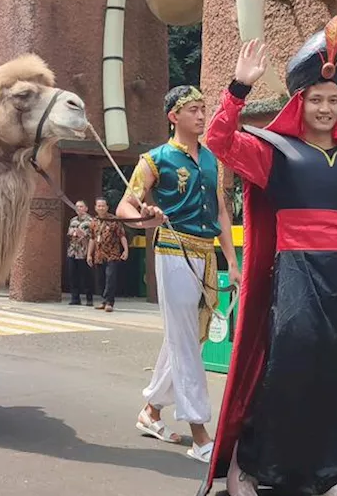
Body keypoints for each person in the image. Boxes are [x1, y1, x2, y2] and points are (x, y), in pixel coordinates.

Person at [195, 27, 337, 496]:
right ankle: (249, 462)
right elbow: (218, 139)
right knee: (289, 369)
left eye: (333, 99)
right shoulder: (272, 152)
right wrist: (238, 89)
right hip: (295, 273)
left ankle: (329, 484)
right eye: (316, 99)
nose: (325, 108)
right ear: (300, 102)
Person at [118, 85, 240, 464]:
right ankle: (200, 433)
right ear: (174, 117)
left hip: (205, 256)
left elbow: (220, 210)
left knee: (187, 338)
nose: (202, 116)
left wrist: (232, 263)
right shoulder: (154, 160)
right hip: (173, 250)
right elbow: (126, 205)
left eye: (204, 109)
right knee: (186, 342)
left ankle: (151, 411)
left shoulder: (210, 160)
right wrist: (145, 217)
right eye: (193, 110)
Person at [88, 197, 129, 312]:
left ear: (107, 207)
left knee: (110, 278)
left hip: (112, 254)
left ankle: (109, 302)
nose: (101, 208)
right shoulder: (94, 222)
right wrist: (89, 254)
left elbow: (122, 235)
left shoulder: (114, 220)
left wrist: (125, 250)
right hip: (99, 255)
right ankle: (104, 300)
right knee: (100, 279)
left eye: (103, 206)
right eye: (99, 206)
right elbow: (92, 238)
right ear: (95, 208)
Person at [65, 201, 94, 306]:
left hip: (84, 251)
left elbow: (92, 236)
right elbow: (69, 233)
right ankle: (75, 298)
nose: (79, 208)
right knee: (73, 275)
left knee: (86, 276)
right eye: (77, 207)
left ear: (86, 208)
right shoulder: (73, 220)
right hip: (73, 251)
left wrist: (82, 234)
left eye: (81, 206)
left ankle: (89, 299)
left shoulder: (91, 221)